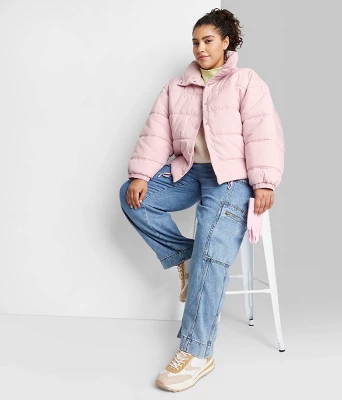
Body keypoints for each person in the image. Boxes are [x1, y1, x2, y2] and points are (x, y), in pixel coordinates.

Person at [119, 8, 284, 392]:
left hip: (232, 178)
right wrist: (141, 175)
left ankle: (196, 352)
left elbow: (263, 133)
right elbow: (156, 134)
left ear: (226, 42)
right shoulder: (176, 87)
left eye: (208, 40)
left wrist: (264, 182)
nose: (200, 48)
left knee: (213, 251)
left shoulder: (246, 81)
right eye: (195, 42)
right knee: (132, 197)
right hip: (189, 172)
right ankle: (185, 256)